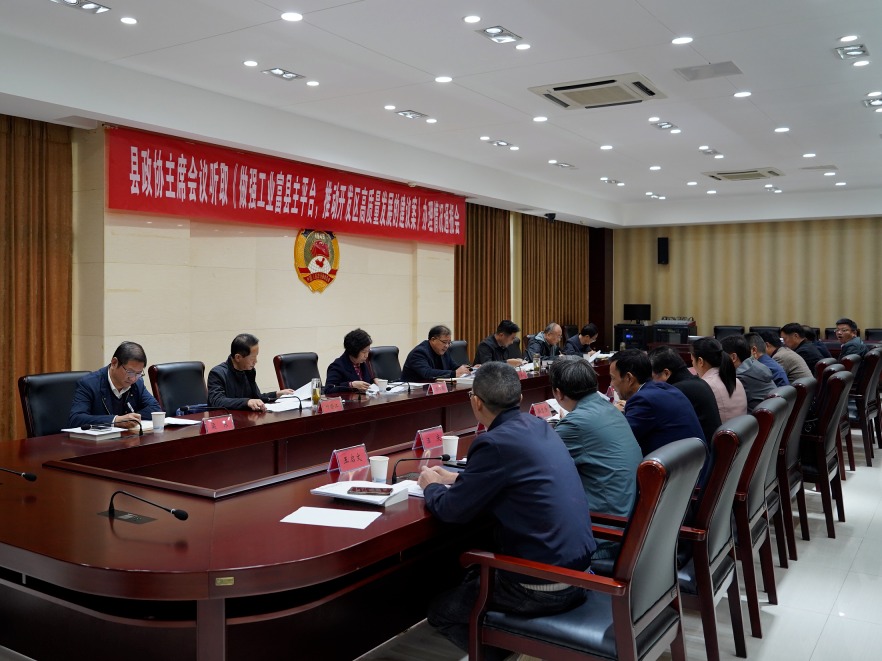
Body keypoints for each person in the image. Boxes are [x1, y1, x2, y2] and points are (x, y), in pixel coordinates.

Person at [418, 362, 595, 660]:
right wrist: (459, 479)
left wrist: (431, 486)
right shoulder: (539, 426)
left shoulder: (492, 442)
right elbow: (515, 476)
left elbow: (450, 510)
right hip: (581, 574)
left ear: (476, 402)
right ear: (519, 397)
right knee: (471, 579)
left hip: (541, 585)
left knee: (442, 612)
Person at [549, 358, 641, 559]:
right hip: (630, 526)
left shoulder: (575, 424)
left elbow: (539, 466)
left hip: (604, 535)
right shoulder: (609, 408)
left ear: (558, 393)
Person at [609, 349, 706, 456]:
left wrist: (612, 412)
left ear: (629, 378)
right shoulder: (665, 388)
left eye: (613, 378)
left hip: (677, 464)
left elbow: (617, 439)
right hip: (693, 461)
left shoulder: (643, 400)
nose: (611, 384)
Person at [69, 341, 161, 429]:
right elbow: (76, 419)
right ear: (114, 363)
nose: (133, 379)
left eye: (138, 373)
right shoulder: (89, 384)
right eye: (130, 372)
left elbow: (155, 409)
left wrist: (130, 419)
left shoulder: (137, 383)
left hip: (128, 438)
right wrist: (116, 420)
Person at [648, 345, 722, 447]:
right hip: (706, 449)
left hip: (699, 452)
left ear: (666, 373)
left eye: (651, 377)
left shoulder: (676, 391)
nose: (651, 382)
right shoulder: (698, 382)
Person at [207, 334, 292, 412]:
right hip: (227, 420)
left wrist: (277, 394)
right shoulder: (217, 373)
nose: (256, 361)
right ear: (238, 357)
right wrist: (246, 402)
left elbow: (256, 397)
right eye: (252, 358)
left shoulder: (249, 371)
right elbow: (217, 401)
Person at [691, 337, 747, 423]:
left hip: (721, 431)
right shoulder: (736, 380)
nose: (692, 365)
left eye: (692, 360)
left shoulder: (705, 386)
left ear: (700, 361)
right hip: (740, 429)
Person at [721, 335, 775, 414]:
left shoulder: (741, 378)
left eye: (722, 357)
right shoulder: (755, 365)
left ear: (733, 357)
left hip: (756, 419)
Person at [401, 325, 471, 381]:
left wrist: (469, 369)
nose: (447, 346)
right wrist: (453, 373)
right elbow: (427, 373)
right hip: (414, 391)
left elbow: (454, 367)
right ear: (433, 339)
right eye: (444, 342)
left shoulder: (444, 351)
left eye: (449, 343)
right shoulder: (419, 352)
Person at [325, 328, 379, 393]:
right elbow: (328, 389)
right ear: (354, 351)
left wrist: (374, 380)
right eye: (364, 352)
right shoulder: (337, 366)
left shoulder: (363, 364)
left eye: (368, 351)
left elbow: (367, 382)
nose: (366, 355)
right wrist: (351, 385)